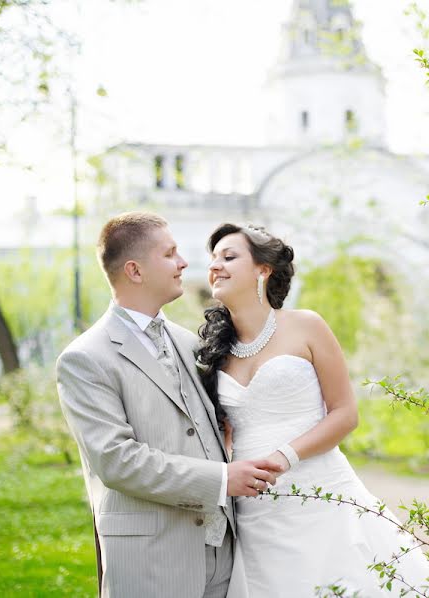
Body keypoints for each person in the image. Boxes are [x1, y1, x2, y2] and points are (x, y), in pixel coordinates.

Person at [197, 223, 429, 597]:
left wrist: (284, 456)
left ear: (263, 270)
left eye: (229, 257)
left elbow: (345, 413)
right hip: (255, 508)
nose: (216, 266)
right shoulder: (216, 352)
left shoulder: (306, 326)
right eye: (213, 260)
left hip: (320, 491)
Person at [56, 212, 283, 598]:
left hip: (222, 554)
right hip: (151, 559)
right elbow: (116, 461)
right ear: (135, 270)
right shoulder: (85, 358)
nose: (183, 263)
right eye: (170, 254)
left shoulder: (188, 342)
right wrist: (223, 480)